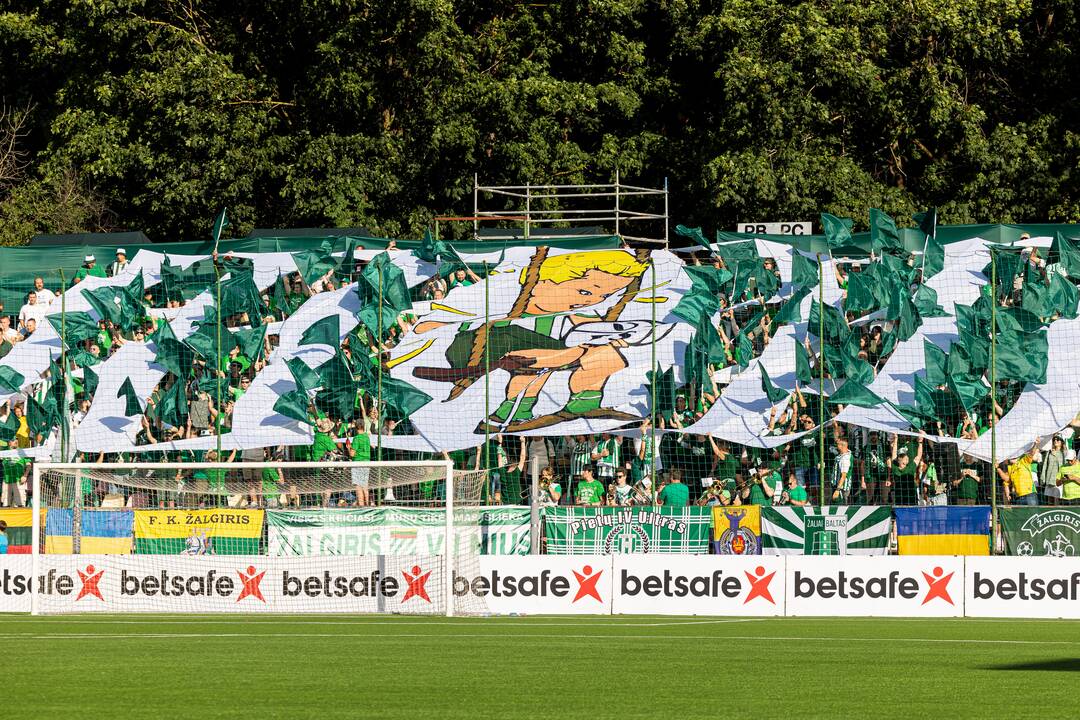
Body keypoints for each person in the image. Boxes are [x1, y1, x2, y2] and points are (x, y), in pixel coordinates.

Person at [1039, 435, 1066, 505]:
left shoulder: (1064, 453)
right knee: (1049, 501)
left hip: (1058, 480)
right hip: (1049, 478)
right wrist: (1043, 478)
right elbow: (1045, 465)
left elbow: (1063, 466)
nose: (1055, 441)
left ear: (1062, 442)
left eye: (1058, 440)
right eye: (1054, 439)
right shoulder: (1049, 452)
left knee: (1057, 501)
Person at [831, 435, 852, 503]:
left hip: (842, 488)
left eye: (838, 444)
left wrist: (837, 490)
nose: (836, 445)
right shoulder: (842, 455)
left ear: (842, 445)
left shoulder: (845, 458)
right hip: (838, 486)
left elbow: (843, 475)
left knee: (841, 506)